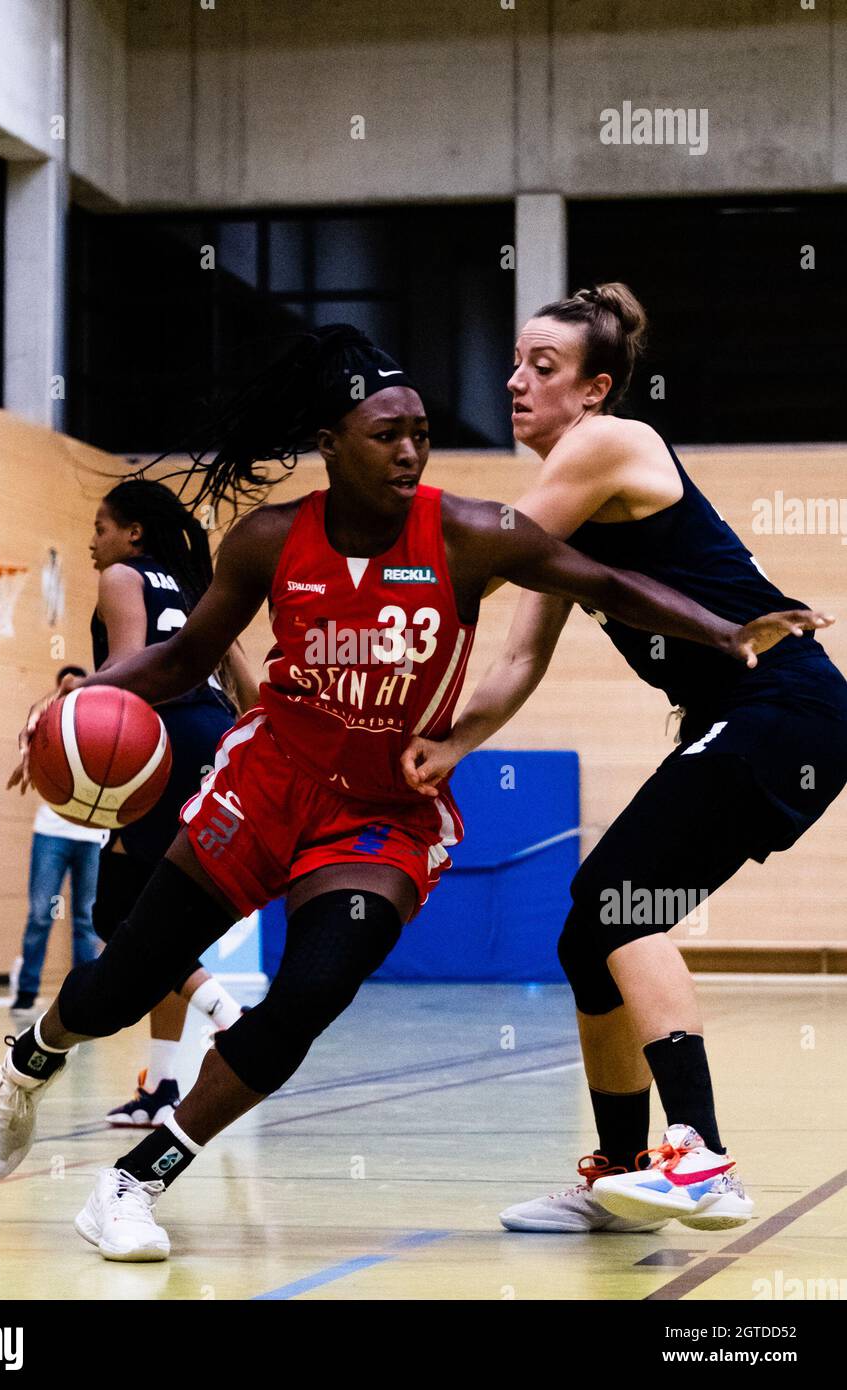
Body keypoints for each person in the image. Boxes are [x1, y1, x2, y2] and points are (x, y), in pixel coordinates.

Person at [0, 323, 823, 1262]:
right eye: (387, 433)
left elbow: (608, 580)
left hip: (379, 814)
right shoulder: (265, 539)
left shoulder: (471, 532)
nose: (411, 448)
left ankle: (134, 1181)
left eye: (420, 429)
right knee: (125, 980)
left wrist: (726, 631)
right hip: (267, 785)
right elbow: (181, 659)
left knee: (312, 993)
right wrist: (77, 696)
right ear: (331, 445)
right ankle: (34, 1056)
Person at [400, 283, 847, 1234]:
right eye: (515, 363)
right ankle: (621, 1177)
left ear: (596, 390)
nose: (516, 382)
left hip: (782, 702)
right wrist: (444, 745)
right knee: (585, 936)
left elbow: (478, 554)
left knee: (619, 900)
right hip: (747, 718)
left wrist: (355, 574)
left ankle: (700, 1159)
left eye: (543, 368)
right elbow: (518, 662)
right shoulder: (567, 524)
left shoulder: (608, 445)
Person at [82, 479, 255, 1126]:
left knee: (114, 914)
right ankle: (161, 1089)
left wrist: (61, 707)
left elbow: (133, 664)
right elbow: (249, 686)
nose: (91, 541)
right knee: (159, 911)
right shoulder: (199, 588)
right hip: (214, 734)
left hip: (163, 733)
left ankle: (224, 1011)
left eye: (100, 526)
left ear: (132, 533)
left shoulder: (123, 575)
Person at [12, 666, 107, 1015]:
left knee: (85, 918)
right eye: (65, 686)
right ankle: (26, 992)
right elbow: (29, 727)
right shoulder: (46, 724)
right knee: (40, 914)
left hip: (92, 833)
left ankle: (86, 996)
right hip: (51, 832)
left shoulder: (100, 723)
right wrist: (57, 696)